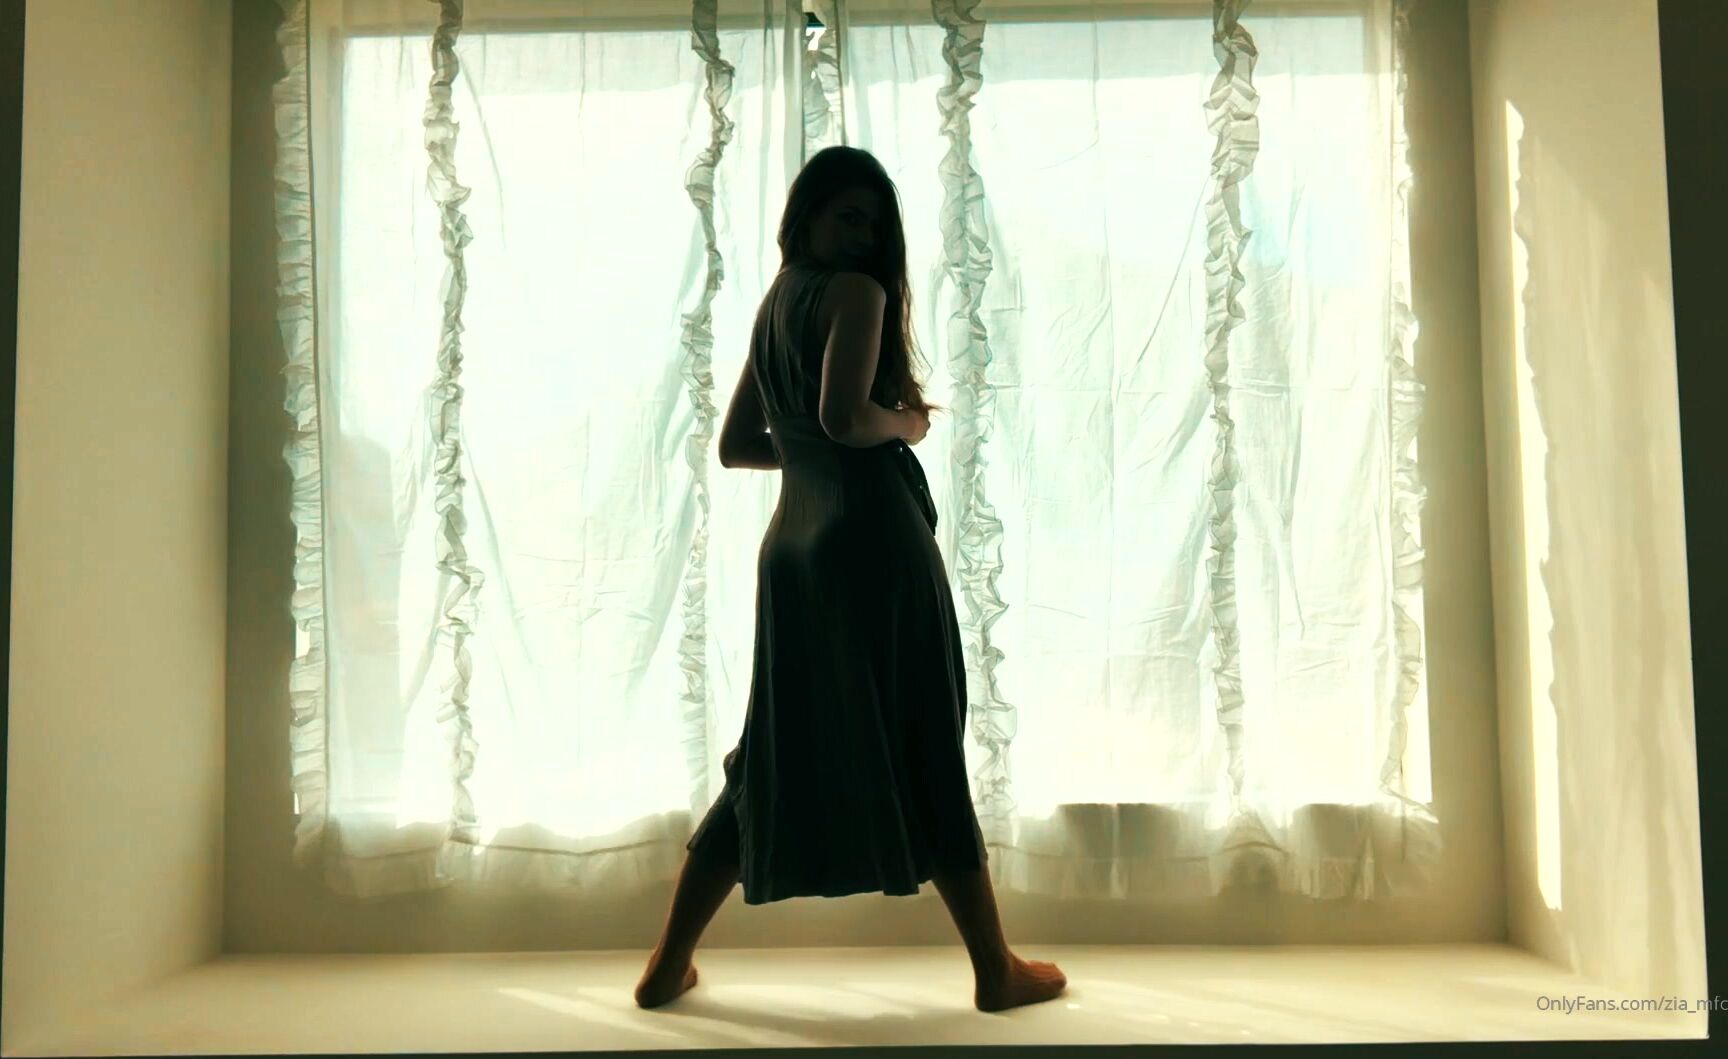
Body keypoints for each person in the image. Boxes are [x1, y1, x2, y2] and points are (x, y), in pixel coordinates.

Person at [634, 146, 1066, 1013]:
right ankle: (995, 968)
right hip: (873, 545)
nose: (863, 236)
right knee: (924, 736)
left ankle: (667, 962)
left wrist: (811, 456)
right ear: (808, 214)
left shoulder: (776, 302)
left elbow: (741, 445)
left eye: (874, 223)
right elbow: (842, 417)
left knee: (770, 755)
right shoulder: (858, 294)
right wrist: (905, 423)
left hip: (793, 551)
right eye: (848, 216)